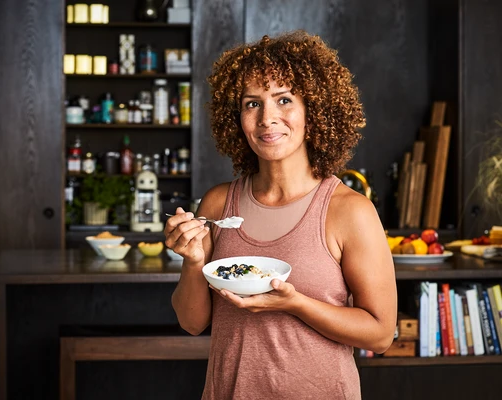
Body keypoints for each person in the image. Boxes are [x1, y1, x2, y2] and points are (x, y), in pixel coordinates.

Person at [164, 30, 397, 400]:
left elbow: (381, 334)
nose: (267, 118)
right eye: (252, 104)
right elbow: (192, 322)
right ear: (237, 117)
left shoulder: (349, 210)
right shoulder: (217, 205)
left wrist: (295, 303)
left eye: (284, 100)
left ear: (314, 111)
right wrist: (193, 262)